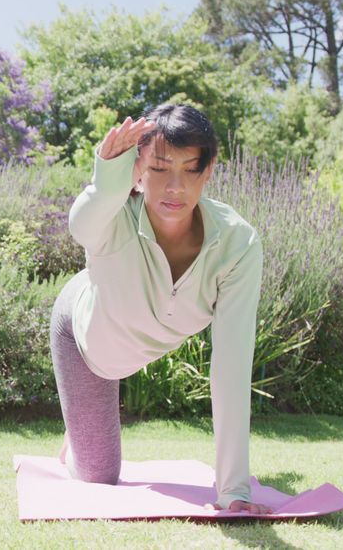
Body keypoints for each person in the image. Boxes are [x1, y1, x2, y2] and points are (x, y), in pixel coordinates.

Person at [51, 104, 272, 513]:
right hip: (85, 339)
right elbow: (80, 226)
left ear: (209, 171)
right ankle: (78, 427)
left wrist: (234, 493)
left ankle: (81, 424)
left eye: (190, 169)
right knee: (99, 477)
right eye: (159, 168)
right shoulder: (113, 217)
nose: (175, 187)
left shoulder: (238, 245)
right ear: (137, 170)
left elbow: (231, 365)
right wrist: (108, 176)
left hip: (134, 342)